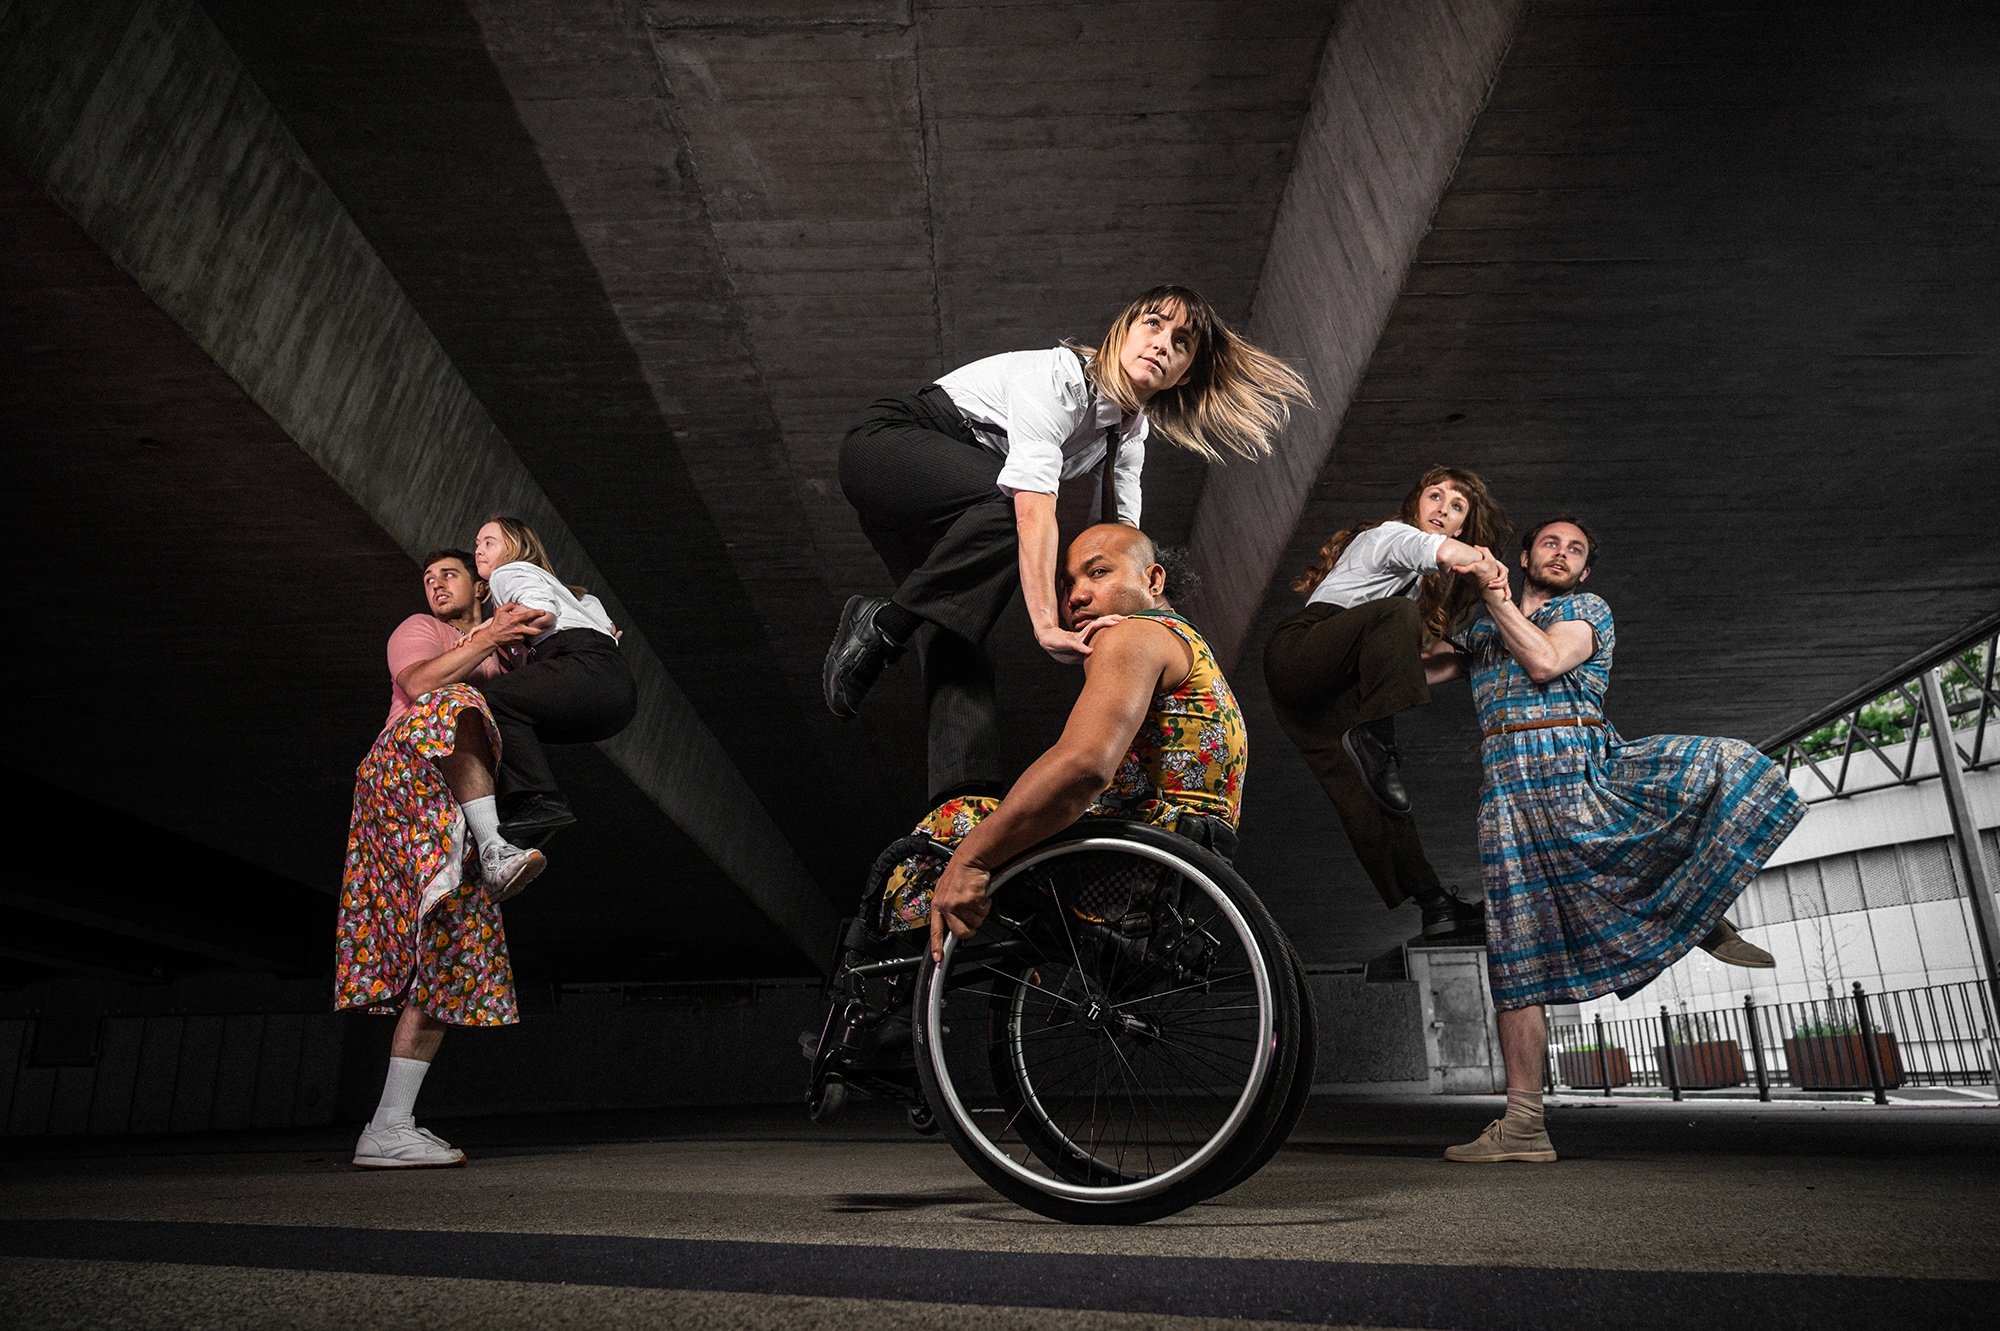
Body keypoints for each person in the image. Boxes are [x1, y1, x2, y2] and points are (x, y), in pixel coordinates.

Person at [825, 286, 1306, 805]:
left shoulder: (1126, 438)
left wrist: (1149, 625)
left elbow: (1123, 546)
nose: (1163, 344)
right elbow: (1032, 511)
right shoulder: (1057, 382)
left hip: (948, 513)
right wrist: (1047, 626)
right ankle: (884, 625)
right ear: (1121, 331)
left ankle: (961, 801)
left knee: (959, 625)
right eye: (1152, 324)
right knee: (1013, 509)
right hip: (888, 449)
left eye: (1182, 342)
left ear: (1185, 373)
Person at [1433, 517, 1805, 1164]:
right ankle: (1524, 1126)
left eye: (1575, 550)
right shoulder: (1477, 628)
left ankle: (1694, 905)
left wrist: (1490, 593)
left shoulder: (1585, 609)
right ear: (1523, 554)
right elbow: (1411, 671)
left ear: (1584, 572)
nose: (1562, 553)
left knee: (1723, 765)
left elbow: (1546, 660)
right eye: (1550, 542)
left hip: (1582, 768)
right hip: (1509, 797)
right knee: (1515, 958)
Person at [904, 523, 1246, 960]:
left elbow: (1083, 767)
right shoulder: (1191, 647)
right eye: (1066, 586)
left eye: (1098, 573)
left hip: (1134, 851)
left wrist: (972, 860)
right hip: (1183, 861)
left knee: (941, 832)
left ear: (1153, 579)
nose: (1076, 598)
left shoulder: (1132, 634)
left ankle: (890, 1005)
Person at [339, 548, 551, 1169]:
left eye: (448, 574)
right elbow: (421, 684)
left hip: (449, 806)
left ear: (480, 585)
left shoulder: (503, 649)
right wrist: (487, 636)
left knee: (448, 958)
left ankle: (388, 1126)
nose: (434, 585)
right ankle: (494, 847)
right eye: (428, 578)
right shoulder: (420, 629)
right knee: (457, 701)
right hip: (401, 774)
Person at [1263, 466, 1510, 939]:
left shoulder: (1413, 590)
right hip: (1300, 651)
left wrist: (1479, 658)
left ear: (1461, 522)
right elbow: (1436, 551)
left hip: (1324, 698)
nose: (1442, 508)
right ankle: (1377, 740)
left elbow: (1409, 668)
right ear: (1417, 504)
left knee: (1374, 799)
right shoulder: (1391, 536)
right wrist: (1484, 563)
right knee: (1395, 616)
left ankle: (1432, 902)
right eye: (1435, 496)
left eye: (1456, 507)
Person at [472, 516, 638, 846]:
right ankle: (529, 809)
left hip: (582, 665)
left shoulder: (509, 573)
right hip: (616, 697)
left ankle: (538, 801)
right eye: (476, 545)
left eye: (489, 543)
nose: (478, 551)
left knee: (486, 704)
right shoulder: (575, 596)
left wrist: (492, 629)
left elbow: (540, 609)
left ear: (516, 547)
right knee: (516, 719)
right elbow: (607, 631)